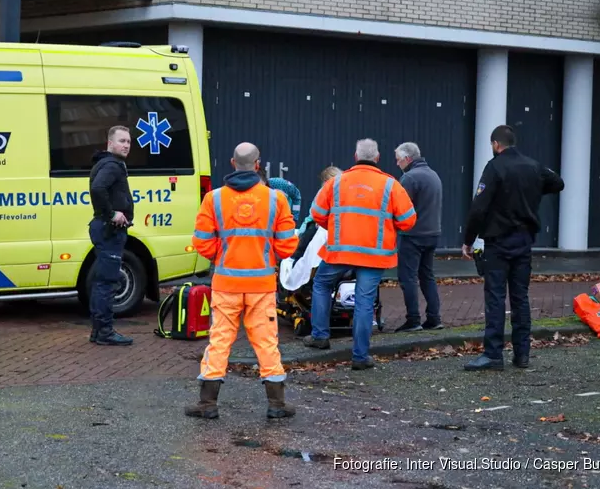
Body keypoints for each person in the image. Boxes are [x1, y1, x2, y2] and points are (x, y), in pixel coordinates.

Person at [186, 142, 299, 419]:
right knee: (266, 342)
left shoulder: (213, 199)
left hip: (226, 284)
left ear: (232, 163)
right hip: (261, 285)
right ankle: (276, 404)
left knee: (220, 340)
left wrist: (222, 255)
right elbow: (287, 247)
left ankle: (208, 404)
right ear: (258, 164)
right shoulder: (276, 199)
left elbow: (201, 242)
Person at [303, 139, 416, 370]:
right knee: (364, 301)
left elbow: (316, 213)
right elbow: (408, 221)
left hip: (340, 251)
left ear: (355, 157)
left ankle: (320, 336)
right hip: (374, 255)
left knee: (322, 285)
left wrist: (334, 228)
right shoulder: (390, 185)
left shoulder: (336, 183)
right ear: (377, 158)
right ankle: (360, 356)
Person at [461, 125, 565, 371]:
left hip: (498, 243)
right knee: (520, 298)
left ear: (496, 144)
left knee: (495, 297)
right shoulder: (533, 166)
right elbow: (558, 182)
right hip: (524, 242)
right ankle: (522, 354)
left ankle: (493, 355)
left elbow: (479, 207)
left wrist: (468, 240)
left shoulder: (494, 167)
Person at [87, 126, 135, 346]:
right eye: (122, 141)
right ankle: (104, 331)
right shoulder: (112, 165)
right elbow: (98, 189)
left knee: (102, 282)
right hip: (109, 230)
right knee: (107, 282)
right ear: (110, 143)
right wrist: (111, 213)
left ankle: (99, 331)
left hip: (104, 228)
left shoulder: (106, 163)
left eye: (128, 142)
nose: (126, 145)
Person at [393, 142, 444, 332]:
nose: (397, 164)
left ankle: (413, 320)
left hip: (413, 235)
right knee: (427, 276)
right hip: (433, 233)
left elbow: (399, 209)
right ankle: (434, 318)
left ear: (407, 159)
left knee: (407, 277)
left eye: (398, 160)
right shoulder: (433, 175)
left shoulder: (410, 178)